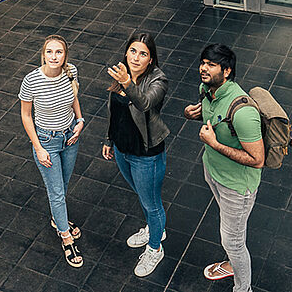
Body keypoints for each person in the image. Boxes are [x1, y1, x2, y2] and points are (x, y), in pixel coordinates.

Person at [184, 43, 264, 292]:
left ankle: (243, 288)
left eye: (211, 65)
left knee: (233, 241)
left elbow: (257, 159)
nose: (203, 69)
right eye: (203, 62)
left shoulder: (243, 112)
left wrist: (214, 145)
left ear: (227, 71)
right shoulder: (207, 89)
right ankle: (231, 263)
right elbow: (212, 117)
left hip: (237, 187)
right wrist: (193, 114)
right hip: (214, 173)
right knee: (233, 232)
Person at [102, 32, 169, 278]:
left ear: (151, 59)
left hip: (145, 154)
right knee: (143, 196)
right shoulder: (122, 74)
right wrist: (109, 140)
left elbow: (145, 104)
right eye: (133, 51)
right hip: (122, 149)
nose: (136, 58)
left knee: (152, 204)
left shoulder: (158, 80)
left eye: (143, 54)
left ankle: (155, 246)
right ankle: (155, 229)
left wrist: (128, 83)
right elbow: (114, 110)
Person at [19, 35, 85, 267]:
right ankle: (65, 237)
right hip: (47, 140)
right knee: (56, 192)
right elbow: (26, 115)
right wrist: (38, 148)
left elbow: (74, 97)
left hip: (70, 137)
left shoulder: (71, 72)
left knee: (64, 185)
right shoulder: (31, 81)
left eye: (59, 52)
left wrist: (80, 120)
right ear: (43, 54)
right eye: (50, 52)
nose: (54, 56)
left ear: (65, 55)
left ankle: (59, 221)